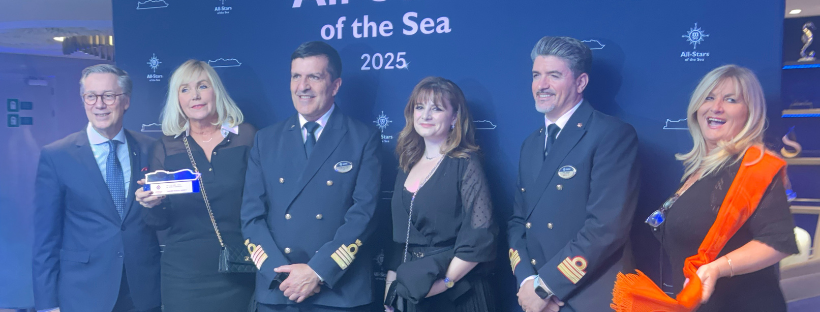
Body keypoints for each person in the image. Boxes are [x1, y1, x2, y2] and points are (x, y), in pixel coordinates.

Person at [637, 65, 798, 311]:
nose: (716, 107)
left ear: (750, 112)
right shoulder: (700, 169)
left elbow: (778, 241)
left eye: (731, 100)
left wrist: (717, 268)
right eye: (709, 98)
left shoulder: (755, 166)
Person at [240, 41, 382, 312]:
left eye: (314, 77)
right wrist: (280, 275)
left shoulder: (363, 138)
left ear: (335, 85)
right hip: (279, 290)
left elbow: (364, 214)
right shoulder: (265, 140)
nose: (302, 86)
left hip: (338, 290)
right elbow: (251, 216)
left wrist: (317, 271)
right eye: (296, 76)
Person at [507, 36, 640, 312]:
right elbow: (518, 222)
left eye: (554, 75)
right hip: (536, 299)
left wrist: (547, 286)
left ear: (580, 83)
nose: (541, 85)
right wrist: (527, 281)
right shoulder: (530, 144)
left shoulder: (611, 135)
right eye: (536, 75)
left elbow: (606, 228)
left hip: (588, 297)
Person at [32, 64, 161, 312]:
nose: (99, 104)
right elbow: (45, 239)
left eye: (108, 96)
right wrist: (47, 304)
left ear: (125, 101)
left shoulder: (149, 148)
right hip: (83, 294)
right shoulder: (57, 156)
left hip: (142, 292)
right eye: (91, 96)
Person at [134, 60, 257, 312]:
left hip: (239, 266)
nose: (195, 96)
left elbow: (264, 201)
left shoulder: (245, 137)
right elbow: (159, 222)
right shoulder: (166, 148)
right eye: (185, 89)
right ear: (177, 99)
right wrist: (151, 204)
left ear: (216, 91)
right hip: (184, 276)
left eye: (202, 86)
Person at [383, 77, 498, 312]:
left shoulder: (466, 164)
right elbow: (399, 243)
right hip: (412, 292)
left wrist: (445, 283)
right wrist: (390, 297)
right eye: (420, 107)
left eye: (436, 109)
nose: (425, 115)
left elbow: (480, 237)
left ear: (454, 118)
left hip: (457, 294)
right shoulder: (406, 165)